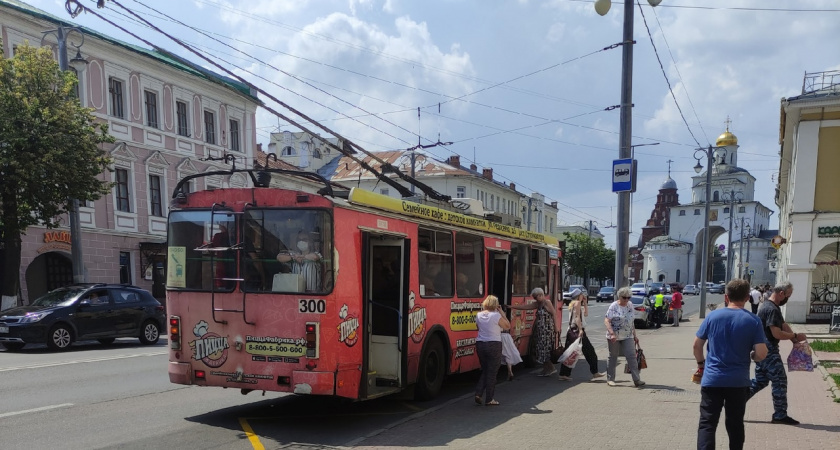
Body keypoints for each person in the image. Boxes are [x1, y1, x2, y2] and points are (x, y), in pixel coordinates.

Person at [694, 279, 768, 450]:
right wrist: (753, 356)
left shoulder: (712, 316)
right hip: (738, 382)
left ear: (726, 297)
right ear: (747, 298)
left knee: (707, 424)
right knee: (735, 424)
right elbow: (762, 353)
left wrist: (701, 364)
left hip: (712, 379)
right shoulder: (753, 320)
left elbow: (697, 345)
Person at [748, 282, 806, 425]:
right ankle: (780, 415)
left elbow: (783, 325)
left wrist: (793, 339)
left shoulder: (771, 306)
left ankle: (735, 401)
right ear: (781, 293)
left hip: (761, 348)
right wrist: (796, 336)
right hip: (769, 351)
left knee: (760, 381)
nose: (788, 298)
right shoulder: (772, 309)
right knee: (780, 381)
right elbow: (777, 333)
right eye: (788, 295)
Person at [508, 287, 558, 377]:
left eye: (536, 297)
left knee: (545, 350)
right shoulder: (538, 304)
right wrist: (512, 307)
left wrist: (556, 328)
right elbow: (525, 307)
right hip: (540, 330)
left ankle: (550, 368)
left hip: (547, 330)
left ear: (541, 295)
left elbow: (554, 314)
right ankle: (546, 369)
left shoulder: (547, 302)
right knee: (540, 350)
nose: (535, 299)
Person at [558, 289, 604, 381]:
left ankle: (564, 374)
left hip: (571, 330)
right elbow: (577, 317)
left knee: (570, 352)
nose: (584, 296)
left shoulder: (574, 303)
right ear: (579, 295)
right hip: (577, 330)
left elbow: (586, 314)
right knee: (589, 351)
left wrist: (586, 303)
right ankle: (594, 372)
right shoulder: (577, 303)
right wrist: (580, 330)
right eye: (582, 294)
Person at [474, 295, 511, 406]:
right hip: (494, 344)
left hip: (480, 344)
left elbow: (478, 328)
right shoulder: (496, 316)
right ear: (496, 305)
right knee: (492, 372)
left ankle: (478, 393)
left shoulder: (479, 315)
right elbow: (507, 326)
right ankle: (489, 399)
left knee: (486, 370)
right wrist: (502, 312)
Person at [605, 287, 644, 387]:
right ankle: (610, 379)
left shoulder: (630, 305)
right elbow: (607, 320)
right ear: (619, 297)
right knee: (613, 357)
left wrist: (635, 335)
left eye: (628, 297)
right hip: (614, 336)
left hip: (628, 335)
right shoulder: (613, 306)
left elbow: (631, 322)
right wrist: (612, 333)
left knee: (631, 357)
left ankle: (637, 379)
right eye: (624, 298)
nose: (626, 300)